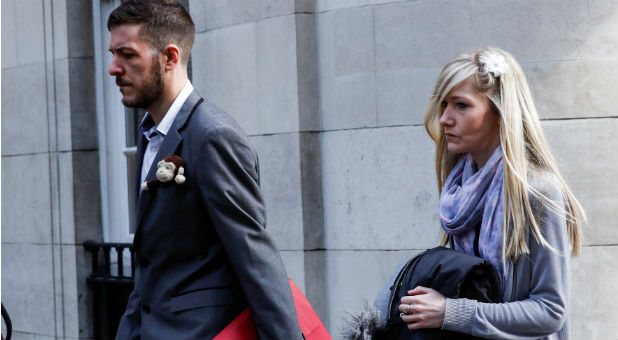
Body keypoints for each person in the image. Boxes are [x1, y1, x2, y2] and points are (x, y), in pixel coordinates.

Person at [107, 1, 303, 339]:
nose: (113, 68)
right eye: (113, 54)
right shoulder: (147, 134)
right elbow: (153, 265)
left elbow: (255, 257)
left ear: (169, 57)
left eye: (127, 55)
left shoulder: (212, 135)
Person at [397, 47, 584, 339]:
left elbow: (550, 311)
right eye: (444, 104)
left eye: (461, 105)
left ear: (499, 112)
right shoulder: (457, 194)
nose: (445, 118)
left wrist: (450, 312)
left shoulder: (538, 191)